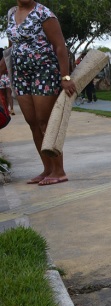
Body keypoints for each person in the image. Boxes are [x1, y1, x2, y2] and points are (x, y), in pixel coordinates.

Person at [0, 0, 76, 186]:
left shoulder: (44, 14)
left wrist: (65, 77)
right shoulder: (11, 14)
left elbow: (60, 47)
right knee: (33, 122)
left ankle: (59, 170)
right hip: (20, 74)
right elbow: (12, 47)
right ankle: (47, 168)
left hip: (44, 72)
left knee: (45, 121)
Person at [0, 47, 14, 115]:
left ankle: (5, 110)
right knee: (9, 94)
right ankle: (11, 108)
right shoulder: (4, 52)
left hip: (1, 76)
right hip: (8, 76)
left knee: (2, 95)